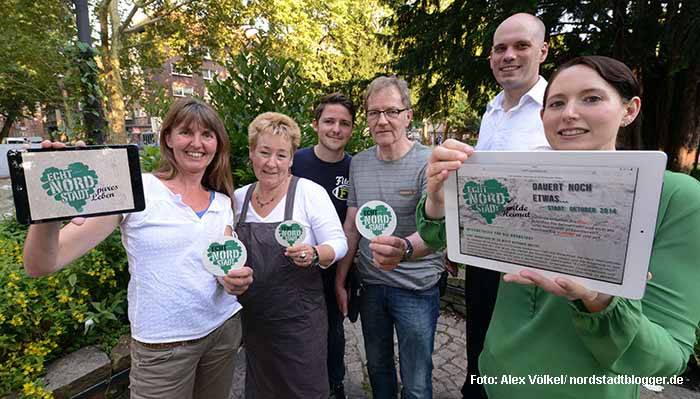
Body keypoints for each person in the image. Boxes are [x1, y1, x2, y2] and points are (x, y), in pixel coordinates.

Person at [417, 55, 700, 398]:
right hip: (496, 380)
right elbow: (446, 239)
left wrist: (601, 300)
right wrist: (438, 199)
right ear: (543, 116)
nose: (569, 113)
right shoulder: (519, 180)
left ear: (630, 110)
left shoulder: (674, 197)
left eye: (592, 98)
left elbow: (667, 359)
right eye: (556, 103)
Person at [22, 98, 254, 399]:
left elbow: (220, 266)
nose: (197, 143)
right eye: (186, 132)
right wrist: (48, 207)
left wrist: (230, 280)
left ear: (217, 144)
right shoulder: (135, 189)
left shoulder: (223, 202)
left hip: (223, 331)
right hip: (163, 347)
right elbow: (42, 264)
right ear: (168, 137)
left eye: (207, 135)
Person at [335, 76, 443, 399]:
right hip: (371, 286)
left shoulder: (428, 162)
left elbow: (438, 232)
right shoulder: (360, 163)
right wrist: (340, 280)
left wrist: (405, 249)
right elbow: (352, 225)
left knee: (417, 379)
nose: (382, 120)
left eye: (392, 111)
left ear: (408, 115)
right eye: (374, 113)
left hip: (417, 288)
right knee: (378, 368)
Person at [461, 12, 550, 398]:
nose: (508, 55)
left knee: (525, 356)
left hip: (535, 261)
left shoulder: (557, 107)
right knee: (478, 342)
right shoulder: (492, 110)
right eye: (500, 48)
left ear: (543, 51)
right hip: (484, 254)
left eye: (521, 46)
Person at [234, 111, 347, 399]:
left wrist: (314, 252)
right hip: (256, 321)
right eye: (264, 152)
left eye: (281, 155)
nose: (272, 163)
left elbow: (339, 242)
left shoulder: (309, 193)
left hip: (300, 322)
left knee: (305, 389)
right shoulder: (238, 199)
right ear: (251, 153)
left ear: (292, 158)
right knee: (262, 388)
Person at [291, 93, 355, 399]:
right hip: (295, 265)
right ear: (315, 124)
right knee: (297, 331)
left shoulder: (355, 168)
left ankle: (334, 384)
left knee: (333, 330)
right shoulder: (295, 161)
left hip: (335, 266)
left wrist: (344, 278)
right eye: (329, 121)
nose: (336, 129)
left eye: (344, 123)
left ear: (352, 129)